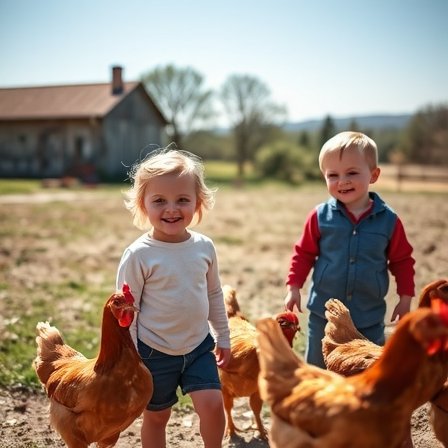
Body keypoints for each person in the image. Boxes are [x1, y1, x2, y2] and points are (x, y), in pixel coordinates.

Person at [116, 147, 231, 448]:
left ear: (198, 202)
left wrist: (224, 337)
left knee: (213, 405)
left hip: (198, 346)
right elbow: (127, 310)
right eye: (159, 201)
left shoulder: (204, 247)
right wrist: (131, 357)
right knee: (157, 417)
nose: (171, 209)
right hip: (153, 352)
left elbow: (214, 293)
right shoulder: (139, 255)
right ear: (143, 205)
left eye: (182, 200)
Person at [284, 131, 415, 368]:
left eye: (352, 173)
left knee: (366, 372)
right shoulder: (319, 217)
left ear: (374, 175)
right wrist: (294, 287)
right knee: (318, 370)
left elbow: (402, 261)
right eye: (333, 175)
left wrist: (405, 298)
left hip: (368, 316)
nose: (342, 181)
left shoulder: (389, 221)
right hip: (324, 315)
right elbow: (303, 254)